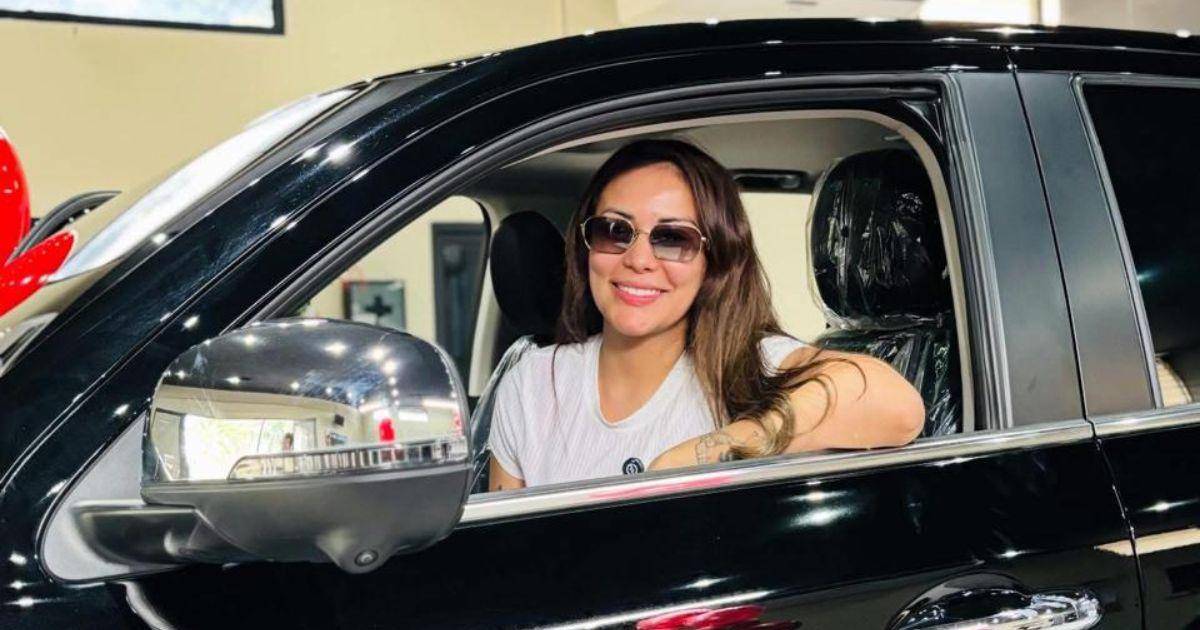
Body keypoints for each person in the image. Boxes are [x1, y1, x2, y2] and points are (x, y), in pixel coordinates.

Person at [488, 139, 924, 490]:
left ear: (713, 263)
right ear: (586, 246)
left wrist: (705, 454)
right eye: (614, 231)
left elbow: (898, 407)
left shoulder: (748, 363)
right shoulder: (532, 383)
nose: (638, 260)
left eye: (672, 238)